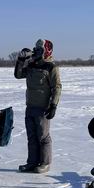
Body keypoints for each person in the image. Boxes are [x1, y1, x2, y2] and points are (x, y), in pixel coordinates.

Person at [14, 39, 61, 173]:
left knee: (43, 137)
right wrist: (21, 60)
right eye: (36, 49)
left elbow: (57, 87)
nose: (36, 52)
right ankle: (32, 162)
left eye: (40, 50)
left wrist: (53, 105)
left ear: (46, 51)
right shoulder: (32, 64)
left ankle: (45, 163)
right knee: (32, 137)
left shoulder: (51, 67)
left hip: (43, 108)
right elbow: (18, 75)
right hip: (30, 106)